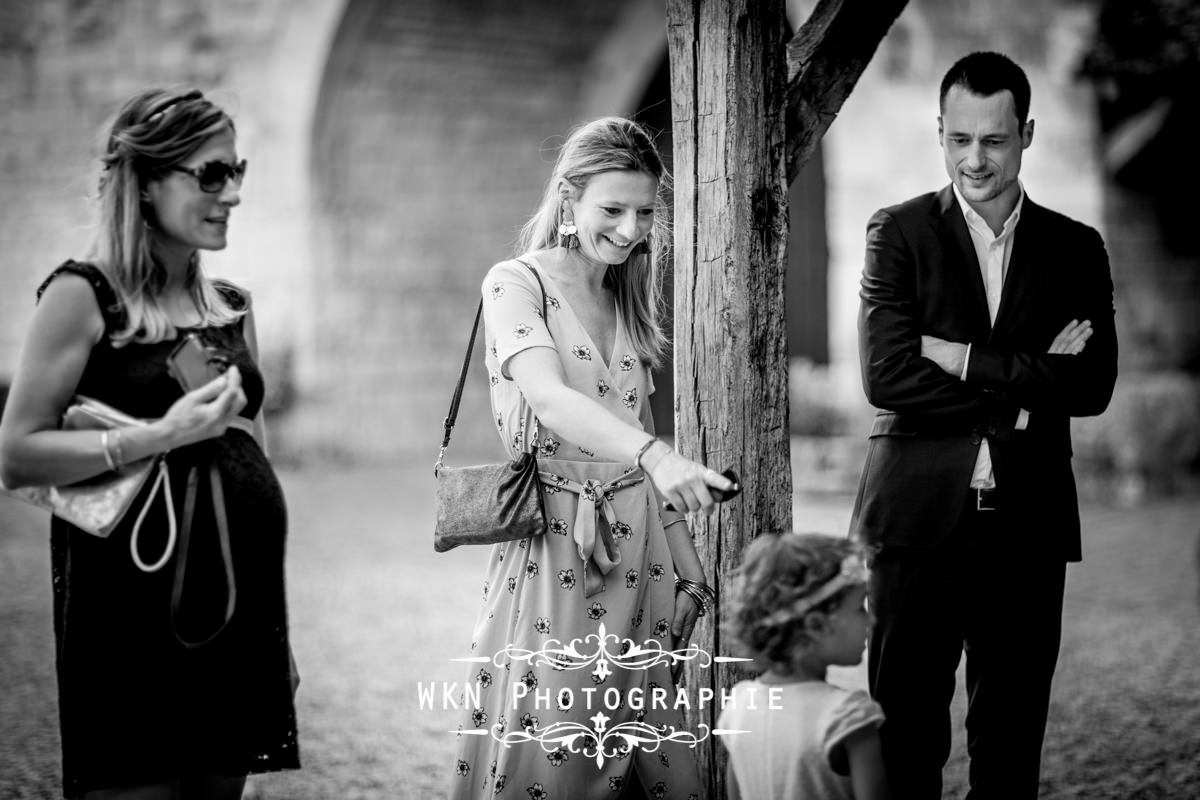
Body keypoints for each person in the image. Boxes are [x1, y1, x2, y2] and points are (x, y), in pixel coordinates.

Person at [0, 88, 299, 799]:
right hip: (128, 611)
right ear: (145, 182)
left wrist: (276, 635)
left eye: (238, 171)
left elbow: (251, 449)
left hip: (237, 606)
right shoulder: (80, 296)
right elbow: (14, 454)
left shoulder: (231, 307)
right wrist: (160, 436)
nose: (231, 193)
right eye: (211, 174)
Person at [850, 51, 1118, 799]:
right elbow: (888, 377)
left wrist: (963, 358)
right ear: (939, 132)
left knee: (1009, 748)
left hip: (1027, 525)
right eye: (959, 139)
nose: (975, 159)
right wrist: (1030, 381)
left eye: (994, 141)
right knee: (905, 741)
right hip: (913, 524)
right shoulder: (897, 233)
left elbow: (1092, 384)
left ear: (1025, 134)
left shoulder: (1075, 250)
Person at [447, 117, 734, 800]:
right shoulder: (515, 282)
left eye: (644, 212)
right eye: (613, 209)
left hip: (644, 550)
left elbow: (630, 438)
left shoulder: (625, 291)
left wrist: (685, 556)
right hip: (556, 550)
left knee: (653, 745)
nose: (631, 228)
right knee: (557, 747)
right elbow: (545, 397)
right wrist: (656, 453)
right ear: (568, 199)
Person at [718, 533, 888, 800]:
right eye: (859, 608)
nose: (871, 622)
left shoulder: (739, 705)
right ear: (816, 625)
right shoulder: (849, 716)